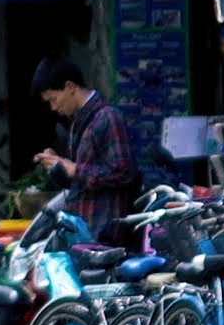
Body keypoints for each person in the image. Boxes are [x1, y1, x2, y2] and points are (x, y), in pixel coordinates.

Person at [28, 51, 153, 235]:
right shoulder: (78, 122)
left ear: (70, 87)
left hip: (105, 232)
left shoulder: (107, 117)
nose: (54, 107)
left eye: (54, 99)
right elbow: (82, 182)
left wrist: (74, 169)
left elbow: (124, 172)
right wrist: (58, 166)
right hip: (85, 230)